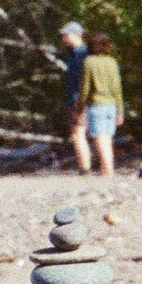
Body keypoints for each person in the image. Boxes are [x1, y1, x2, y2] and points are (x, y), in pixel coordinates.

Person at [77, 30, 123, 176]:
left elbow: (85, 88)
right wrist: (120, 111)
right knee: (108, 139)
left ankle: (108, 171)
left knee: (100, 139)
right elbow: (117, 88)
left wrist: (80, 107)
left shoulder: (89, 62)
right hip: (112, 105)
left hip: (97, 105)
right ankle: (106, 169)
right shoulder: (112, 62)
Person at [56, 22, 92, 172]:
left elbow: (84, 80)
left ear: (77, 34)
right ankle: (84, 166)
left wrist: (80, 101)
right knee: (77, 132)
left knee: (78, 132)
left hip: (79, 99)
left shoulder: (84, 54)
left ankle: (85, 168)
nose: (63, 38)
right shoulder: (71, 55)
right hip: (72, 98)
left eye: (66, 35)